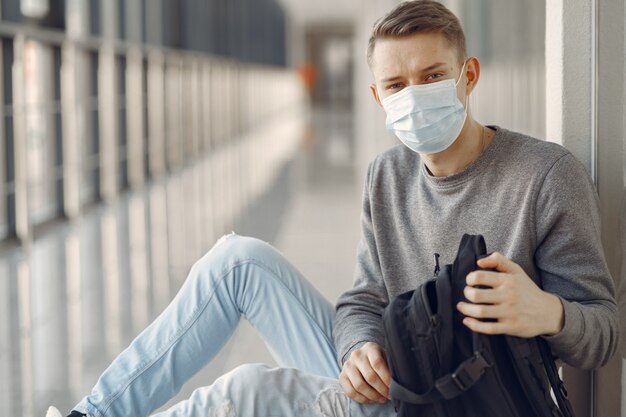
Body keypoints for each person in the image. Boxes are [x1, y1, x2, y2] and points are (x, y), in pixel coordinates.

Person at [48, 1, 618, 416]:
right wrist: (357, 349)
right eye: (396, 84)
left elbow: (605, 334)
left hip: (467, 403)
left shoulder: (545, 175)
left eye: (433, 76)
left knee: (247, 391)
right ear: (377, 97)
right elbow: (362, 300)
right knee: (238, 260)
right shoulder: (387, 175)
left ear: (467, 76)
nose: (413, 96)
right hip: (395, 377)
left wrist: (547, 312)